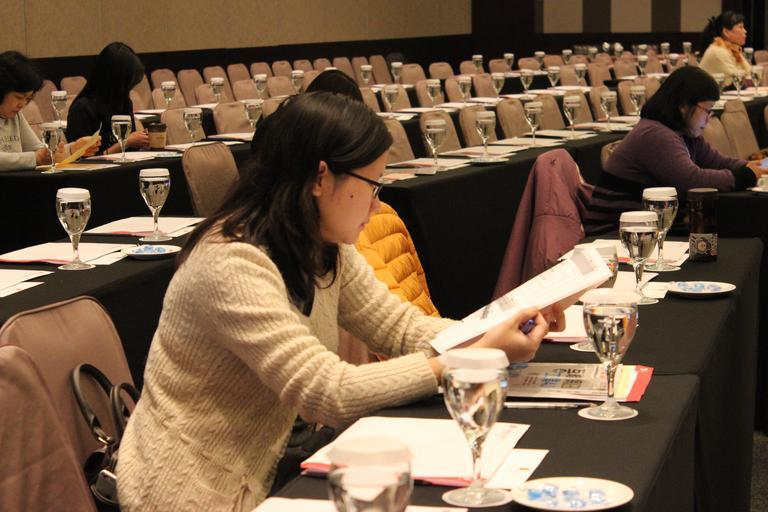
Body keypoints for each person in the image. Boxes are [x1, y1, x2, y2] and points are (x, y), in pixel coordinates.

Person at [116, 92, 554, 510]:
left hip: (273, 466)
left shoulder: (323, 245)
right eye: (372, 185)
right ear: (320, 177)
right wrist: (472, 358)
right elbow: (328, 391)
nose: (376, 204)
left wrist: (500, 326)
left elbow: (400, 328)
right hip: (193, 491)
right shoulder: (230, 263)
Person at [584, 66, 764, 235]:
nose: (708, 119)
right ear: (684, 105)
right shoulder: (654, 134)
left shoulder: (685, 134)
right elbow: (691, 181)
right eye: (707, 110)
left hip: (648, 229)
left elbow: (720, 162)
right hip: (615, 233)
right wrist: (745, 175)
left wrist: (757, 167)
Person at [0, 51, 99, 171]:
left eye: (28, 99)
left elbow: (40, 152)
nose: (23, 104)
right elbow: (37, 157)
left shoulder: (16, 116)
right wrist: (35, 158)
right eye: (19, 97)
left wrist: (73, 149)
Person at [67, 42, 148, 155]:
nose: (128, 90)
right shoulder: (82, 109)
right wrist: (126, 143)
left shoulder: (123, 102)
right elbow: (83, 158)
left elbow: (130, 150)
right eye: (127, 85)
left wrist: (142, 140)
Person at [699, 11, 751, 87]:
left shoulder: (733, 49)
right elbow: (737, 80)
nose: (745, 31)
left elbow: (750, 74)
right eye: (740, 27)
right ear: (726, 32)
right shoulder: (717, 51)